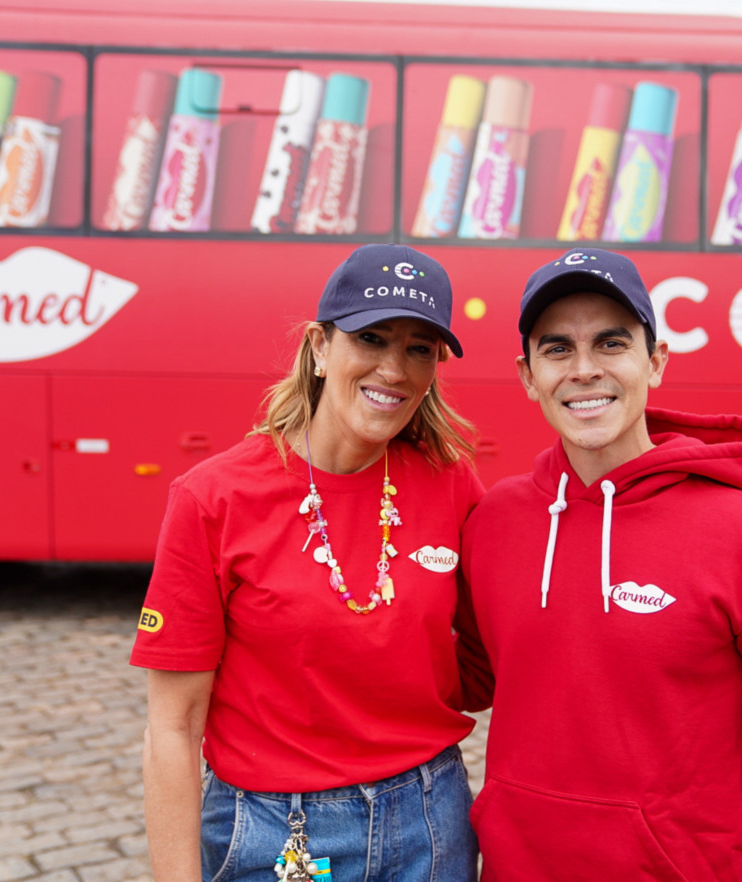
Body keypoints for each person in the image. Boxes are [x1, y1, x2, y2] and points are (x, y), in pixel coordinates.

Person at [458, 248, 742, 881]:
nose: (585, 370)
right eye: (558, 348)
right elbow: (459, 679)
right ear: (527, 374)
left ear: (655, 362)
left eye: (611, 344)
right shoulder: (495, 522)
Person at [131, 243, 483, 882]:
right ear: (320, 347)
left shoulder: (450, 483)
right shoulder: (214, 498)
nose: (394, 369)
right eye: (370, 338)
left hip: (431, 820)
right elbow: (173, 726)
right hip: (276, 835)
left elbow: (496, 648)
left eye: (419, 349)